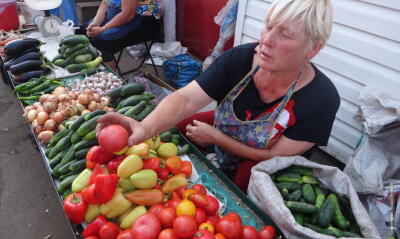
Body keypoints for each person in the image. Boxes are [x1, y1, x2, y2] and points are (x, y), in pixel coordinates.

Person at [97, 0, 340, 192]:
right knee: (176, 127)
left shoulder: (321, 99)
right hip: (232, 130)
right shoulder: (239, 59)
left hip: (264, 162)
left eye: (284, 35)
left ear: (313, 48)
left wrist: (217, 138)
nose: (266, 40)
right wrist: (144, 127)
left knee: (248, 177)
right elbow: (185, 100)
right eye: (268, 26)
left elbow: (272, 156)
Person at [76, 0, 160, 70]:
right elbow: (105, 3)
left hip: (143, 22)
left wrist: (103, 28)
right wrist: (96, 21)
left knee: (100, 42)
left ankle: (110, 80)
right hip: (117, 12)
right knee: (82, 32)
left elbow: (128, 14)